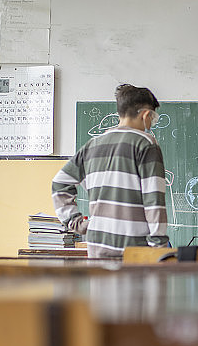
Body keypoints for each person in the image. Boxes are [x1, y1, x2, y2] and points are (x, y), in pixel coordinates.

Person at [52, 84, 169, 258]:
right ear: (146, 115)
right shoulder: (146, 143)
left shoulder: (93, 144)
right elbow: (153, 199)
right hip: (134, 247)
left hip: (97, 244)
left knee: (101, 285)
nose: (151, 123)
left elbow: (60, 183)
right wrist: (159, 246)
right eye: (153, 118)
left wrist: (77, 223)